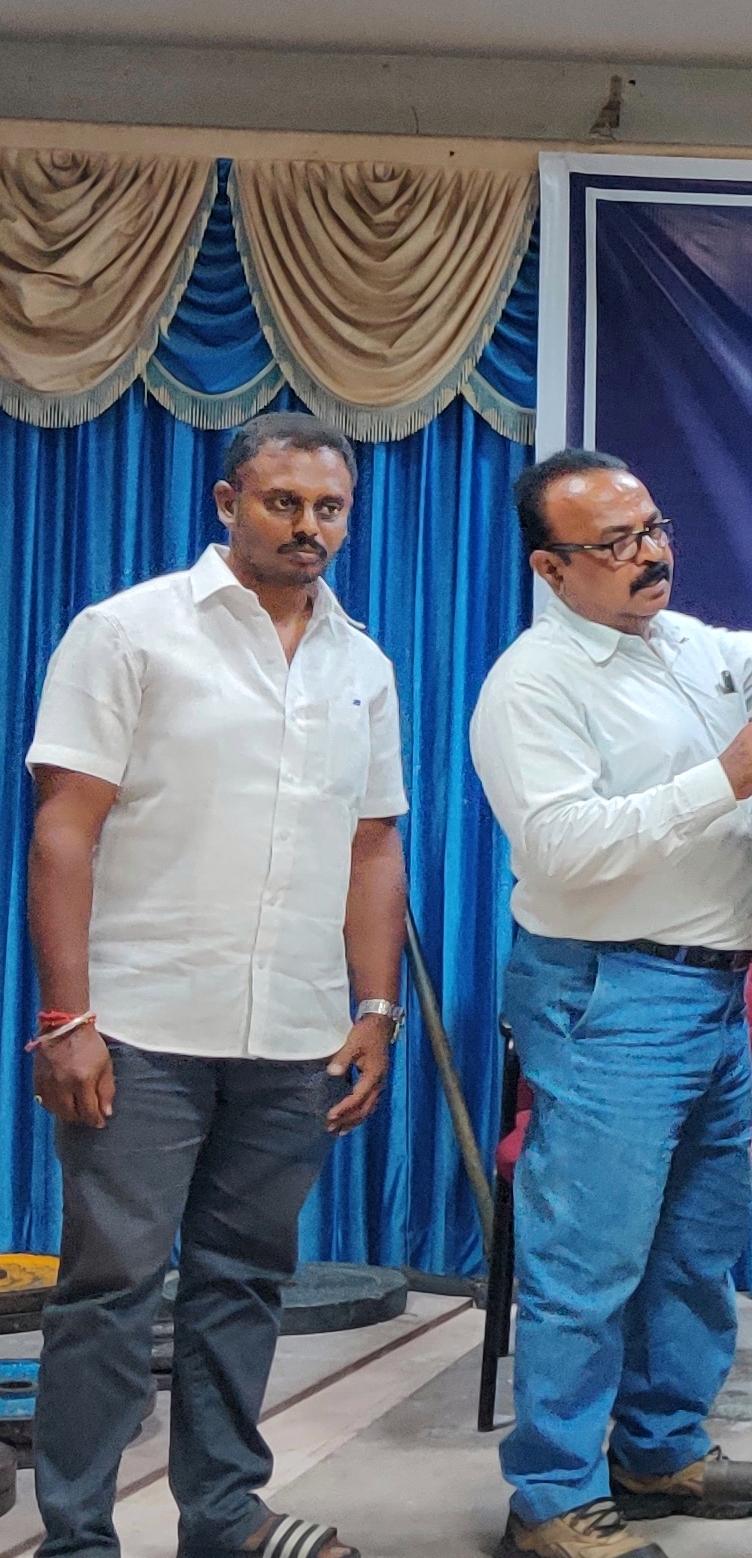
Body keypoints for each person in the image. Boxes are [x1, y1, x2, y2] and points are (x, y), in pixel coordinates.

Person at [24, 413, 406, 1558]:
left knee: (243, 1286)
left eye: (328, 507)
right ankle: (78, 1534)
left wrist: (375, 1009)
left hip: (293, 1037)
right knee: (111, 1292)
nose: (308, 527)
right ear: (227, 502)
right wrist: (66, 1019)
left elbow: (373, 844)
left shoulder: (363, 662)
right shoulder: (128, 632)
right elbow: (63, 830)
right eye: (284, 502)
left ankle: (225, 1514)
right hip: (138, 1030)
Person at [468, 451, 752, 1558]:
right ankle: (554, 1498)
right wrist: (726, 778)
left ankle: (659, 1448)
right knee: (589, 1261)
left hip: (712, 990)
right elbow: (560, 850)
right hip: (608, 989)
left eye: (650, 527)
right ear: (549, 569)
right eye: (611, 544)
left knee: (697, 1246)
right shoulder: (533, 683)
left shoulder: (680, 642)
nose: (647, 554)